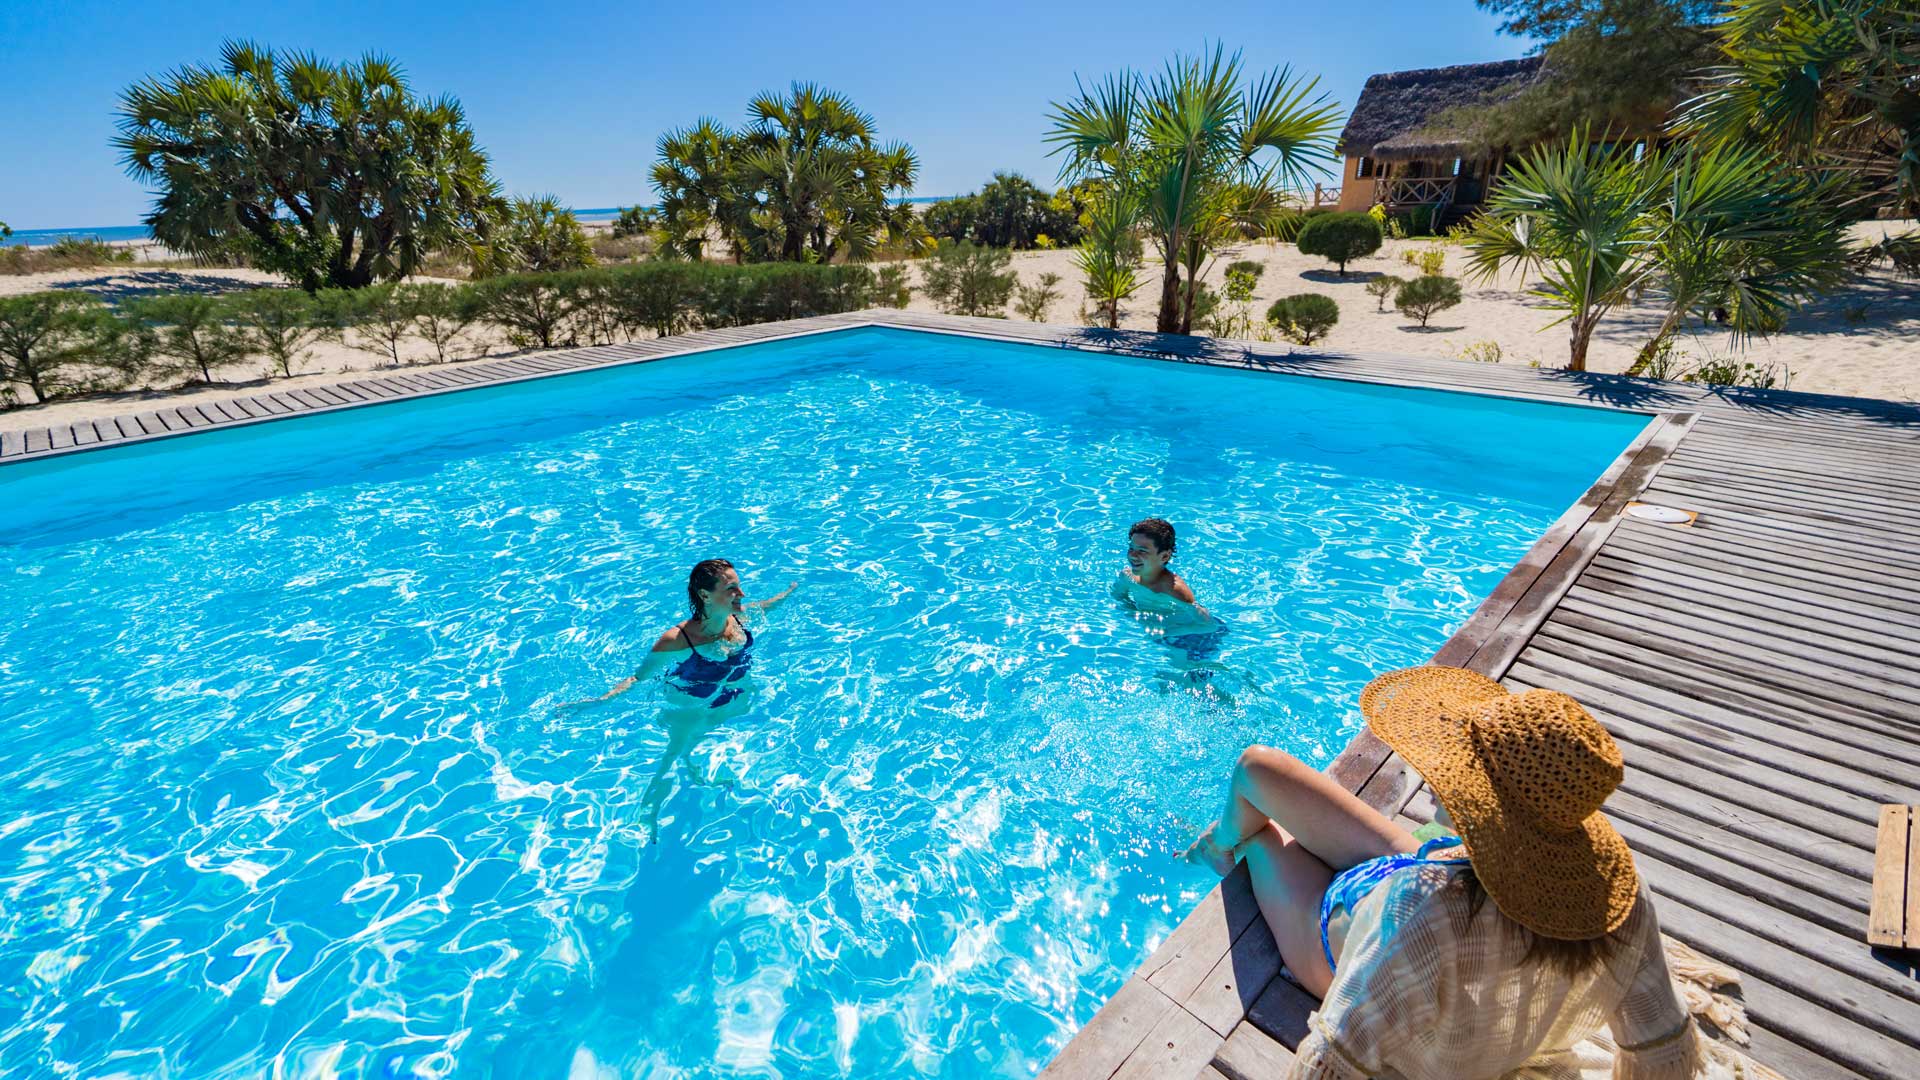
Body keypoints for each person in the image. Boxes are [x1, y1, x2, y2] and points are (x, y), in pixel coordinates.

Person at [1184, 666, 1709, 1078]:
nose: (1432, 769)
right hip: (1444, 878)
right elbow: (1660, 1049)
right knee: (1259, 765)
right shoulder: (1617, 897)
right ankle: (1222, 842)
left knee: (1260, 839)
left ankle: (1218, 849)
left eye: (1456, 765)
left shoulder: (1425, 908)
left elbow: (1332, 1060)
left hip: (1344, 941)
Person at [590, 558, 796, 708]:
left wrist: (790, 592)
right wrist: (600, 701)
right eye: (731, 588)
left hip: (734, 693)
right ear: (705, 595)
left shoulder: (737, 618)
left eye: (739, 586)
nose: (741, 594)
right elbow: (639, 678)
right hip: (690, 708)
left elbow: (765, 606)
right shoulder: (677, 639)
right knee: (678, 752)